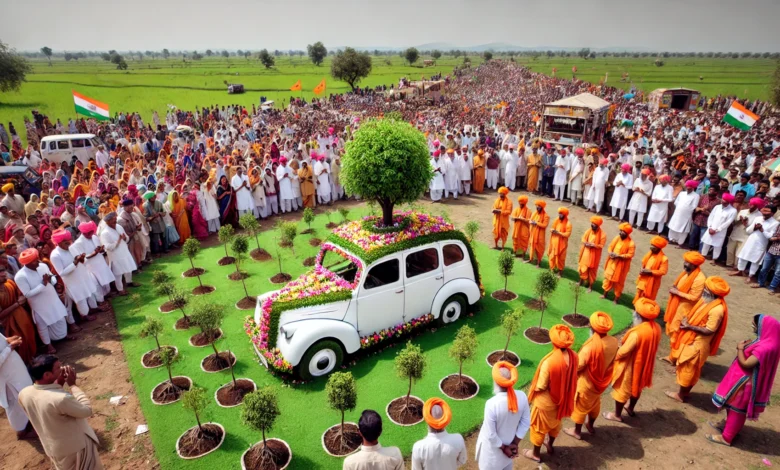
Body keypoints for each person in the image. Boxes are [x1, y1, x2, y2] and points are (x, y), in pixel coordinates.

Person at [18, 355, 103, 470]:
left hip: (53, 448)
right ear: (47, 375)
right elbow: (86, 411)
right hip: (76, 448)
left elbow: (49, 405)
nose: (62, 368)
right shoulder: (61, 399)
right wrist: (73, 385)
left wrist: (59, 383)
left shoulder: (24, 393)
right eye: (58, 367)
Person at [709, 314, 779, 446]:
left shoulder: (764, 348)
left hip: (745, 385)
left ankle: (726, 438)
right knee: (732, 407)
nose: (753, 327)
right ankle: (730, 429)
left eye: (755, 325)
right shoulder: (766, 342)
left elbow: (747, 364)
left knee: (737, 410)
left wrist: (740, 349)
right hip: (742, 381)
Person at [666, 276, 730, 402]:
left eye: (705, 288)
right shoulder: (707, 301)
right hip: (692, 339)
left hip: (698, 344)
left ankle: (680, 395)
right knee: (689, 369)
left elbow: (709, 330)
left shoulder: (717, 310)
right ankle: (684, 392)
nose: (703, 290)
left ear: (711, 292)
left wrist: (689, 327)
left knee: (689, 370)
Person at [524, 325, 578, 463]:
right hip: (562, 399)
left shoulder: (549, 362)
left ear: (553, 342)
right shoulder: (573, 357)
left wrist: (531, 391)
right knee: (555, 424)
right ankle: (550, 444)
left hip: (546, 402)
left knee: (538, 428)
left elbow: (541, 386)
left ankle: (535, 454)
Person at [604, 298, 662, 422]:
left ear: (639, 315)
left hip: (632, 365)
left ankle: (617, 415)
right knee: (638, 386)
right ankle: (630, 407)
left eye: (635, 311)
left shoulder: (637, 333)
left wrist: (614, 355)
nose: (633, 313)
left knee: (622, 389)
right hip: (645, 363)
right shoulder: (656, 328)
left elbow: (624, 351)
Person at [563, 312, 617, 440]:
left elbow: (578, 366)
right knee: (595, 403)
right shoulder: (614, 342)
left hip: (587, 382)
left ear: (592, 329)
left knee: (581, 406)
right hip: (602, 381)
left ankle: (576, 431)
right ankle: (590, 425)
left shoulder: (591, 347)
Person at [15, 248, 74, 354]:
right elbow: (27, 294)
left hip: (52, 298)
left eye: (37, 259)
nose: (38, 261)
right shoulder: (20, 276)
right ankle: (49, 345)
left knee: (60, 317)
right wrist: (43, 283)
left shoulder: (42, 266)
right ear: (27, 263)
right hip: (39, 304)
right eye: (35, 260)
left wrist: (52, 280)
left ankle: (64, 335)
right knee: (43, 325)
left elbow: (52, 278)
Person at [475, 361, 531, 470]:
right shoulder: (522, 396)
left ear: (496, 382)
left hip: (492, 454)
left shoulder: (491, 404)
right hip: (511, 448)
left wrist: (504, 448)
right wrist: (514, 443)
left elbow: (491, 434)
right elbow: (525, 423)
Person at [50, 229, 104, 322]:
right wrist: (74, 263)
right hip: (72, 280)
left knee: (89, 292)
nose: (68, 243)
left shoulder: (72, 248)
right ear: (58, 242)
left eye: (68, 240)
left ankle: (93, 308)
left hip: (82, 274)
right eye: (65, 241)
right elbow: (61, 272)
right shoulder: (55, 255)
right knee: (80, 298)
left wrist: (82, 259)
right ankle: (84, 315)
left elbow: (82, 261)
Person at [663, 251, 707, 363]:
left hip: (685, 309)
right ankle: (673, 355)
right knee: (673, 331)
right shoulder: (686, 272)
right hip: (677, 306)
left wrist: (677, 292)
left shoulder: (699, 279)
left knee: (677, 332)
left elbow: (694, 297)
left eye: (688, 263)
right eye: (685, 262)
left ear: (694, 265)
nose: (685, 265)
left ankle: (674, 358)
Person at [411, 397, 467, 470]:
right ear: (445, 418)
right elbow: (462, 460)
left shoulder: (418, 447)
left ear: (426, 419)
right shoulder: (458, 439)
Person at [0, 333, 35, 439]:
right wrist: (10, 347)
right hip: (6, 376)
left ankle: (29, 423)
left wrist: (7, 340)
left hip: (14, 369)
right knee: (14, 403)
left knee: (26, 394)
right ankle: (21, 431)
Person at [69, 221, 114, 300]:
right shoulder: (77, 243)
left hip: (100, 262)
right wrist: (94, 253)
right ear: (83, 232)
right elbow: (82, 258)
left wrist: (101, 250)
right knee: (96, 284)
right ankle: (101, 300)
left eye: (91, 232)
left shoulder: (94, 237)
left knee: (105, 279)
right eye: (88, 233)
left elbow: (99, 248)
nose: (90, 234)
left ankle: (108, 294)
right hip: (90, 266)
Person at [0, 266, 36, 363]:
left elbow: (20, 295)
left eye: (3, 271)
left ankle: (31, 359)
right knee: (19, 343)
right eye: (0, 273)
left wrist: (21, 300)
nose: (3, 274)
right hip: (8, 324)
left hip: (22, 317)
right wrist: (17, 304)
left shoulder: (10, 283)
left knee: (29, 337)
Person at [734, 206, 779, 281]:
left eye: (767, 211)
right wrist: (754, 228)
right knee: (743, 256)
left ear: (773, 213)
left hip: (761, 243)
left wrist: (762, 230)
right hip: (751, 240)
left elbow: (770, 236)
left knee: (755, 260)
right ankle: (740, 271)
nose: (764, 213)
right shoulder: (758, 218)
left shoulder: (775, 223)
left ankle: (750, 276)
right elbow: (748, 231)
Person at [99, 212, 138, 295]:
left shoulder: (119, 227)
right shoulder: (104, 233)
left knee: (128, 268)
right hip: (115, 256)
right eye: (113, 220)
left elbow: (126, 238)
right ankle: (120, 289)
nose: (115, 221)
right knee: (118, 273)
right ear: (107, 221)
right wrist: (118, 241)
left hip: (124, 251)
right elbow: (108, 247)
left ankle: (129, 282)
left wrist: (125, 238)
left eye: (115, 219)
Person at [727, 197, 765, 272]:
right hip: (736, 232)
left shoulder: (759, 215)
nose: (750, 205)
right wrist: (740, 220)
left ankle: (736, 267)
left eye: (753, 204)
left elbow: (753, 227)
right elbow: (734, 222)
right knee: (730, 250)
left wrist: (746, 223)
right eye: (750, 203)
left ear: (757, 206)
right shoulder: (743, 211)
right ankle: (729, 264)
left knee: (739, 252)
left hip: (746, 236)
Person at [601, 223, 636, 304]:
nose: (620, 233)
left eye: (623, 231)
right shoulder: (617, 238)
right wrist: (611, 253)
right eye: (620, 231)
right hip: (612, 262)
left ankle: (616, 300)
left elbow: (630, 254)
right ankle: (604, 295)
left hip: (621, 266)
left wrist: (619, 256)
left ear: (627, 233)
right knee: (608, 279)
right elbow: (610, 247)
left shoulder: (631, 243)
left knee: (619, 283)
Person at [700, 192, 738, 263]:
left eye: (725, 201)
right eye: (722, 200)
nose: (723, 202)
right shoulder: (717, 207)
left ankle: (714, 259)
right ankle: (703, 255)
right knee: (706, 242)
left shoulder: (733, 211)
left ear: (728, 202)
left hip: (721, 231)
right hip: (711, 228)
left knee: (717, 245)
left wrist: (717, 230)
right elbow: (711, 217)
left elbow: (728, 223)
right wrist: (710, 227)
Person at [633, 236, 669, 303]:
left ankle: (642, 311)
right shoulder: (649, 254)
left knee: (647, 297)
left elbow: (663, 271)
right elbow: (644, 263)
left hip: (652, 282)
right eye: (651, 245)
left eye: (653, 246)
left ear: (658, 248)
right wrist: (642, 269)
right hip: (643, 278)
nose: (651, 247)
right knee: (639, 293)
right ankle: (636, 308)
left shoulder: (664, 258)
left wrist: (650, 272)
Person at [578, 216, 607, 292]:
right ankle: (580, 282)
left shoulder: (603, 234)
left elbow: (601, 245)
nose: (592, 225)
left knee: (592, 271)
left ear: (598, 225)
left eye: (594, 224)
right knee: (583, 267)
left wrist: (594, 245)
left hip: (594, 256)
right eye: (592, 223)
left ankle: (590, 287)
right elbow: (583, 238)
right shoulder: (589, 231)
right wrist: (586, 243)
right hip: (586, 253)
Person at [668, 180, 700, 245]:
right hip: (677, 212)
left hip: (686, 215)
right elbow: (676, 202)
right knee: (673, 226)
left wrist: (685, 208)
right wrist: (680, 207)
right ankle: (671, 239)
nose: (688, 188)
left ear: (693, 188)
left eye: (690, 187)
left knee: (683, 229)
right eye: (687, 187)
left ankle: (680, 242)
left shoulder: (696, 196)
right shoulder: (682, 193)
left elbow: (694, 206)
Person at [547, 207, 572, 277]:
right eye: (559, 213)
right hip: (554, 243)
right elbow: (552, 228)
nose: (560, 215)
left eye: (561, 214)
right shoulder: (556, 220)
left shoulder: (568, 224)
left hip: (562, 245)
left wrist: (558, 233)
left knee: (561, 259)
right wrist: (552, 230)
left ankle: (560, 273)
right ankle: (551, 270)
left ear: (565, 215)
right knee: (552, 257)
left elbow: (567, 234)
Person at [526, 200, 549, 268]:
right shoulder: (534, 213)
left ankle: (538, 263)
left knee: (539, 249)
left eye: (539, 206)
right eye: (537, 206)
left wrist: (536, 223)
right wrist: (531, 222)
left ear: (542, 207)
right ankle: (530, 259)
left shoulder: (546, 216)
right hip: (533, 233)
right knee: (532, 247)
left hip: (540, 236)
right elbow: (530, 220)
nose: (537, 207)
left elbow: (545, 225)